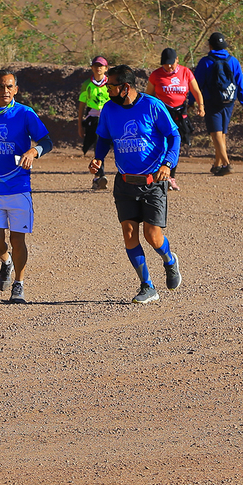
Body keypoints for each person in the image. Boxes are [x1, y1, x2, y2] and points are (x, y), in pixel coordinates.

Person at [90, 65, 183, 304]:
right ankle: (147, 285)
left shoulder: (152, 106)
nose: (107, 89)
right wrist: (98, 159)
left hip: (153, 181)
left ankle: (169, 261)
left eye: (111, 86)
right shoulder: (109, 109)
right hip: (124, 182)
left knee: (152, 236)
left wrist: (168, 163)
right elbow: (103, 137)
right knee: (129, 233)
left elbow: (174, 135)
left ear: (125, 87)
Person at [0, 69, 53, 304]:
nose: (5, 91)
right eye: (0, 86)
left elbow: (47, 141)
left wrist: (34, 151)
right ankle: (6, 261)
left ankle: (19, 284)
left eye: (9, 87)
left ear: (16, 89)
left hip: (19, 187)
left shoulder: (25, 114)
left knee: (18, 240)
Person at [145, 47, 205, 189]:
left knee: (175, 144)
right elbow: (148, 96)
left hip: (179, 114)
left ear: (177, 60)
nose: (169, 66)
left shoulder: (186, 72)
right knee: (161, 144)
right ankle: (156, 174)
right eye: (165, 64)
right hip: (162, 113)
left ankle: (171, 177)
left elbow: (196, 90)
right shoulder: (156, 75)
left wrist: (201, 106)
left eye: (171, 63)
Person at [192, 32, 243, 177]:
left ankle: (226, 164)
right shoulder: (233, 61)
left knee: (215, 133)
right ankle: (217, 165)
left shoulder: (206, 62)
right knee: (222, 133)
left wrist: (192, 101)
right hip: (229, 101)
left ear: (210, 45)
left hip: (212, 101)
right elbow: (240, 84)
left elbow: (197, 84)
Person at [77, 56, 111, 190]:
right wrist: (79, 124)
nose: (98, 68)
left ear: (106, 69)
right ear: (92, 68)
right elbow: (82, 105)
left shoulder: (110, 83)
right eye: (96, 66)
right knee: (98, 146)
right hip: (94, 120)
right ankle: (99, 176)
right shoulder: (87, 84)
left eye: (101, 66)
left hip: (108, 119)